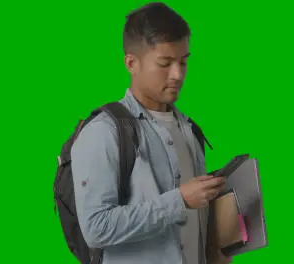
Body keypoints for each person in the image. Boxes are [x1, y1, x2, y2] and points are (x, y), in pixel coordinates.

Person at [70, 2, 232, 264]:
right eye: (165, 63)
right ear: (131, 63)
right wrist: (179, 200)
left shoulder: (190, 129)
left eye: (183, 61)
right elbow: (96, 227)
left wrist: (214, 250)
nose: (178, 74)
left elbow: (194, 218)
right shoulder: (104, 132)